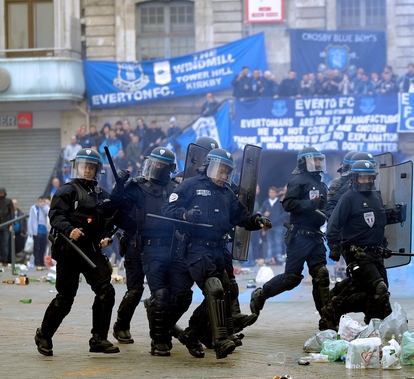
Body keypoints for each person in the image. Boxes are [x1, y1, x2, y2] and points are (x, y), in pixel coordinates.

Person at [163, 148, 271, 359]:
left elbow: (242, 216)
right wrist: (186, 214)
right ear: (209, 167)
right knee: (214, 288)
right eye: (220, 171)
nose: (223, 176)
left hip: (219, 248)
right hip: (196, 247)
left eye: (226, 172)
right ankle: (220, 340)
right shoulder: (190, 185)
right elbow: (168, 210)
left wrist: (257, 221)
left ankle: (192, 333)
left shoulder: (227, 192)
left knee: (226, 291)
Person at [108, 148, 195, 356]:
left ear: (169, 168)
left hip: (164, 247)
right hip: (135, 242)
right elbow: (115, 206)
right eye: (154, 163)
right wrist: (119, 187)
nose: (156, 167)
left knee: (165, 292)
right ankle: (121, 326)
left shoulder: (175, 188)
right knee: (135, 290)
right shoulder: (136, 187)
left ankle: (161, 330)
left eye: (161, 164)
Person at [34, 149, 119, 356]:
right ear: (77, 167)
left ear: (97, 170)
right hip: (69, 251)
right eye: (84, 166)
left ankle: (99, 339)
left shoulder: (101, 194)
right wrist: (68, 229)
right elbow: (55, 216)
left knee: (106, 291)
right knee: (66, 297)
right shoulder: (67, 191)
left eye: (91, 167)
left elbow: (110, 218)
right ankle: (44, 334)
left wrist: (108, 235)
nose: (87, 170)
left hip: (92, 250)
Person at [250, 147, 332, 330]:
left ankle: (327, 320)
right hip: (300, 236)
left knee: (321, 275)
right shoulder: (299, 181)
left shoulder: (321, 184)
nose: (319, 164)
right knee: (292, 278)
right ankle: (261, 293)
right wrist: (310, 204)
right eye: (315, 160)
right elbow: (288, 204)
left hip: (316, 235)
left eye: (320, 160)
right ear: (305, 162)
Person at [322, 160, 396, 327]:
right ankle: (337, 306)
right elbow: (333, 224)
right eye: (363, 178)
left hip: (375, 253)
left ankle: (372, 325)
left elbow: (378, 224)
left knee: (377, 296)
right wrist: (333, 246)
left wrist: (383, 246)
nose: (367, 181)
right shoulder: (348, 197)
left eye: (370, 178)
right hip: (357, 253)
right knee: (379, 289)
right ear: (355, 178)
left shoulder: (376, 196)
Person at [260, 186, 288, 265]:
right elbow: (261, 213)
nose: (271, 194)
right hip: (268, 226)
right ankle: (270, 259)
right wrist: (264, 214)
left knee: (278, 242)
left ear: (276, 193)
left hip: (278, 225)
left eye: (273, 192)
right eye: (270, 192)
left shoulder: (280, 202)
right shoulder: (266, 202)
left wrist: (278, 218)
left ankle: (278, 259)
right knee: (270, 243)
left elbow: (285, 212)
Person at [27, 196, 49, 268]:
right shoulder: (34, 208)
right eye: (40, 201)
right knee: (37, 247)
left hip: (44, 230)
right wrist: (30, 231)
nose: (41, 203)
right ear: (38, 201)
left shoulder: (45, 208)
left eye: (43, 201)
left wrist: (44, 206)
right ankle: (37, 262)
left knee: (43, 247)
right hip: (36, 230)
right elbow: (30, 220)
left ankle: (42, 262)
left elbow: (49, 212)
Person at [0, 187, 14, 265]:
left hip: (6, 224)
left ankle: (5, 260)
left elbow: (11, 213)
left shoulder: (8, 201)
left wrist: (11, 224)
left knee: (5, 243)